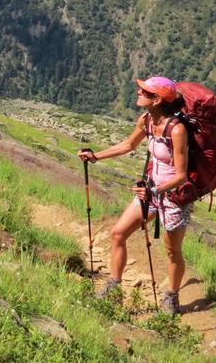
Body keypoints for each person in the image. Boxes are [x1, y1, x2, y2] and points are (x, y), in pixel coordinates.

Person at [77, 76, 191, 315]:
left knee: (172, 251)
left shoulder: (177, 130)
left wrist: (155, 191)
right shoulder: (146, 120)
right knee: (118, 233)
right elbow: (128, 146)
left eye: (144, 91)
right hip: (149, 191)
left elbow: (182, 176)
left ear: (157, 99)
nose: (138, 92)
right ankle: (114, 286)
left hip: (174, 197)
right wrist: (96, 156)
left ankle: (171, 296)